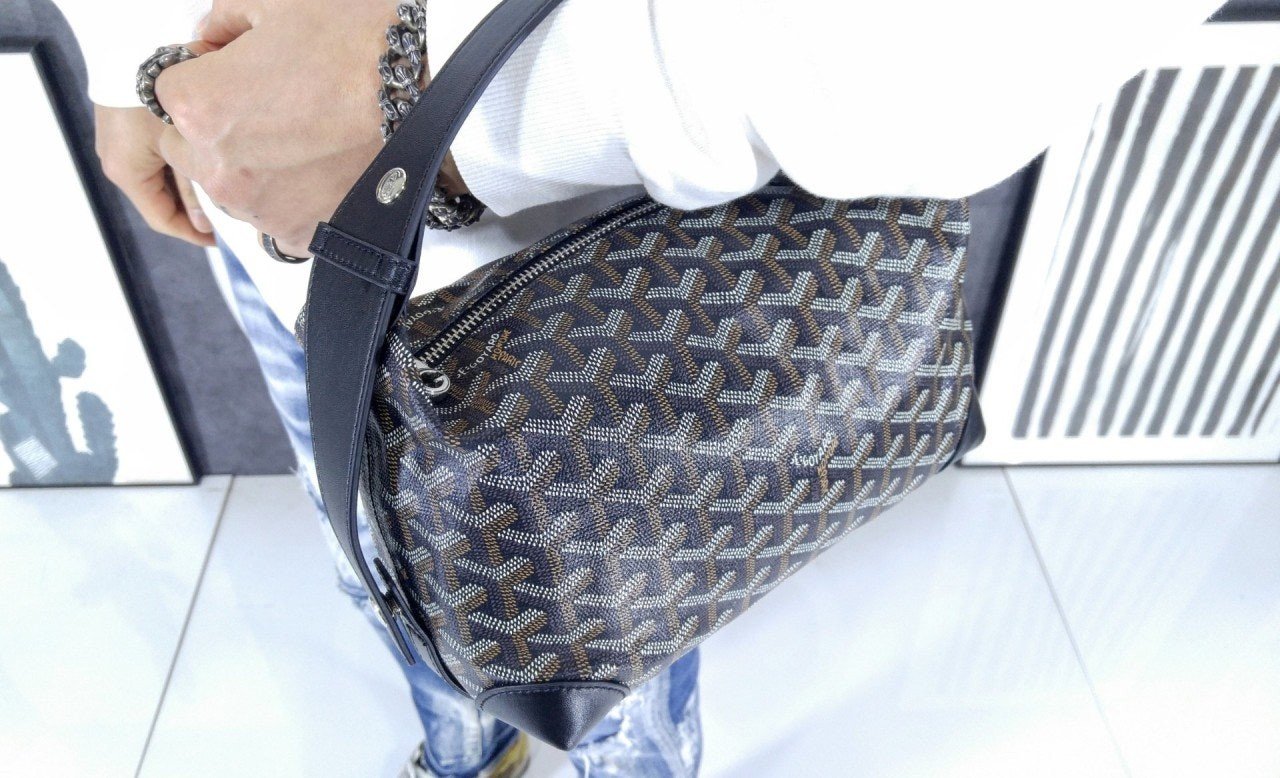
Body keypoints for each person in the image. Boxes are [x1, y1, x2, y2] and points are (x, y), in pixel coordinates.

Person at [60, 0, 1222, 774]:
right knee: (372, 564)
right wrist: (122, 54)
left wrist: (422, 84)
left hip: (573, 244)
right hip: (250, 182)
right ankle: (467, 752)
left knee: (616, 638)